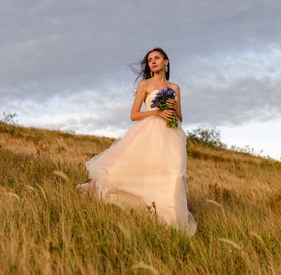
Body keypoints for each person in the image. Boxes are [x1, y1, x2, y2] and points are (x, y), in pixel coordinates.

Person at [79, 48, 196, 235]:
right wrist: (157, 111)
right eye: (150, 60)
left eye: (157, 58)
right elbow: (134, 115)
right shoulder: (145, 85)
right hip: (150, 132)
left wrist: (173, 108)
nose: (153, 62)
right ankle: (150, 211)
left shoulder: (175, 88)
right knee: (144, 170)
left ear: (166, 62)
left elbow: (180, 116)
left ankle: (172, 218)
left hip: (173, 134)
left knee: (175, 174)